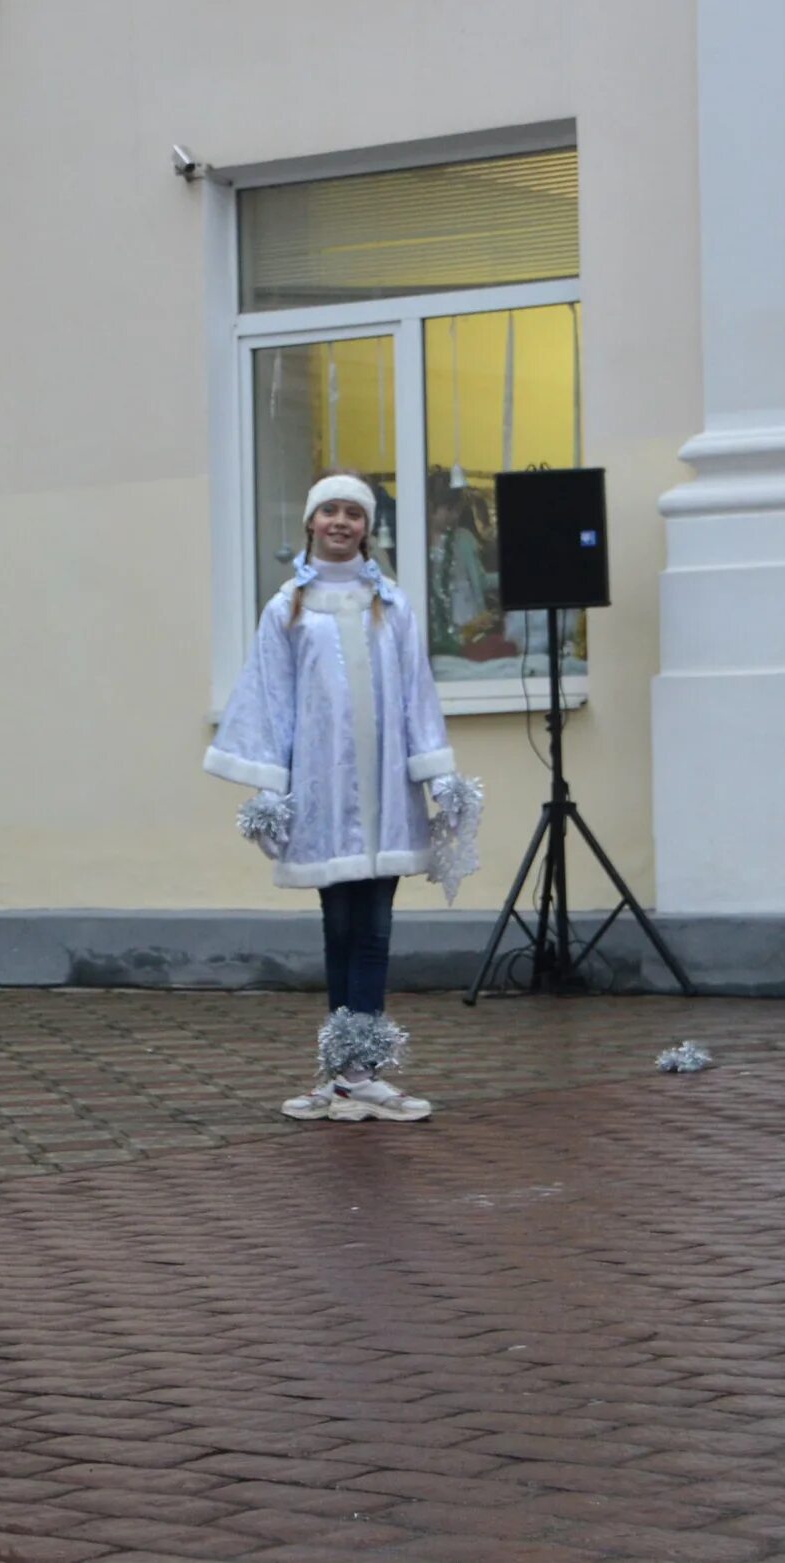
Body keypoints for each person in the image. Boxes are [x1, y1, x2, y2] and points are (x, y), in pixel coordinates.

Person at [207, 475, 481, 1122]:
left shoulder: (393, 605)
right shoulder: (288, 609)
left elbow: (417, 693)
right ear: (310, 522)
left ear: (367, 525)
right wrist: (270, 789)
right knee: (339, 925)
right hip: (326, 797)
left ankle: (364, 1072)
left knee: (375, 928)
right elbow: (270, 702)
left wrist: (437, 771)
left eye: (352, 512)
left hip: (387, 796)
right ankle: (345, 1072)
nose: (340, 521)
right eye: (329, 509)